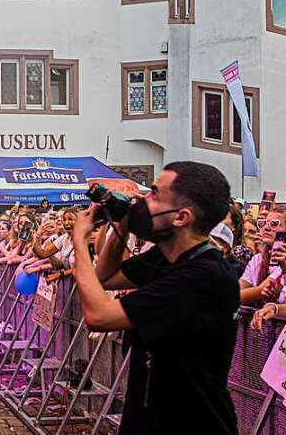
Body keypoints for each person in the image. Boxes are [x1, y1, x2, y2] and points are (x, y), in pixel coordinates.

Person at [71, 161, 240, 435]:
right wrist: (122, 226)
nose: (140, 199)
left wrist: (80, 239)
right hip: (150, 413)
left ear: (181, 217)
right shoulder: (168, 255)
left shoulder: (202, 275)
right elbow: (104, 277)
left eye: (153, 193)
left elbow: (98, 316)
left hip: (191, 424)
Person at [239, 207, 286, 305]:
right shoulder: (257, 258)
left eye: (274, 224)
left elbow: (261, 289)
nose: (266, 227)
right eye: (264, 223)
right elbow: (239, 288)